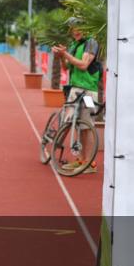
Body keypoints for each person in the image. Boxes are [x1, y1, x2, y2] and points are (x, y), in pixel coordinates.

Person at [51, 16, 102, 173]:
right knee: (73, 123)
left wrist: (65, 55)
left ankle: (89, 163)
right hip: (74, 89)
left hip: (89, 91)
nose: (75, 31)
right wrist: (61, 57)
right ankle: (80, 159)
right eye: (73, 28)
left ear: (86, 28)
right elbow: (67, 68)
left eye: (78, 27)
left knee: (87, 125)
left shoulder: (91, 42)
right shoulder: (74, 44)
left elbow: (83, 65)